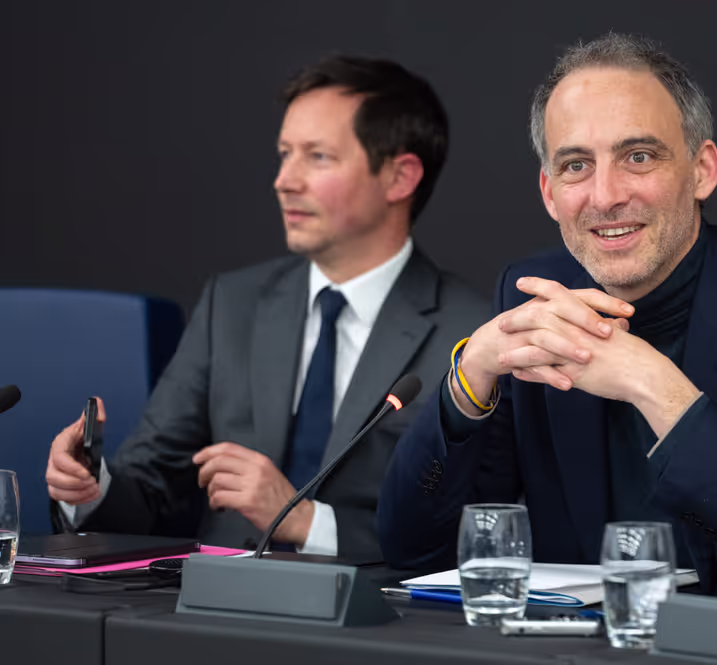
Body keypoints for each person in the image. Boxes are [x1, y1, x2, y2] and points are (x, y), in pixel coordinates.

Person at [378, 33, 717, 603]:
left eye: (639, 157)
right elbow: (417, 552)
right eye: (576, 165)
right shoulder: (534, 299)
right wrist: (471, 377)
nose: (605, 196)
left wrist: (653, 386)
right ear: (549, 192)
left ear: (702, 170)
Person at [44, 55, 491, 563]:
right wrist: (89, 486)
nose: (284, 181)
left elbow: (478, 532)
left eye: (317, 157)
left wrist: (306, 522)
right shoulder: (232, 306)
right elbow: (149, 493)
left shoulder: (472, 334)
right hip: (211, 619)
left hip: (380, 627)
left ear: (399, 177)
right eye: (284, 155)